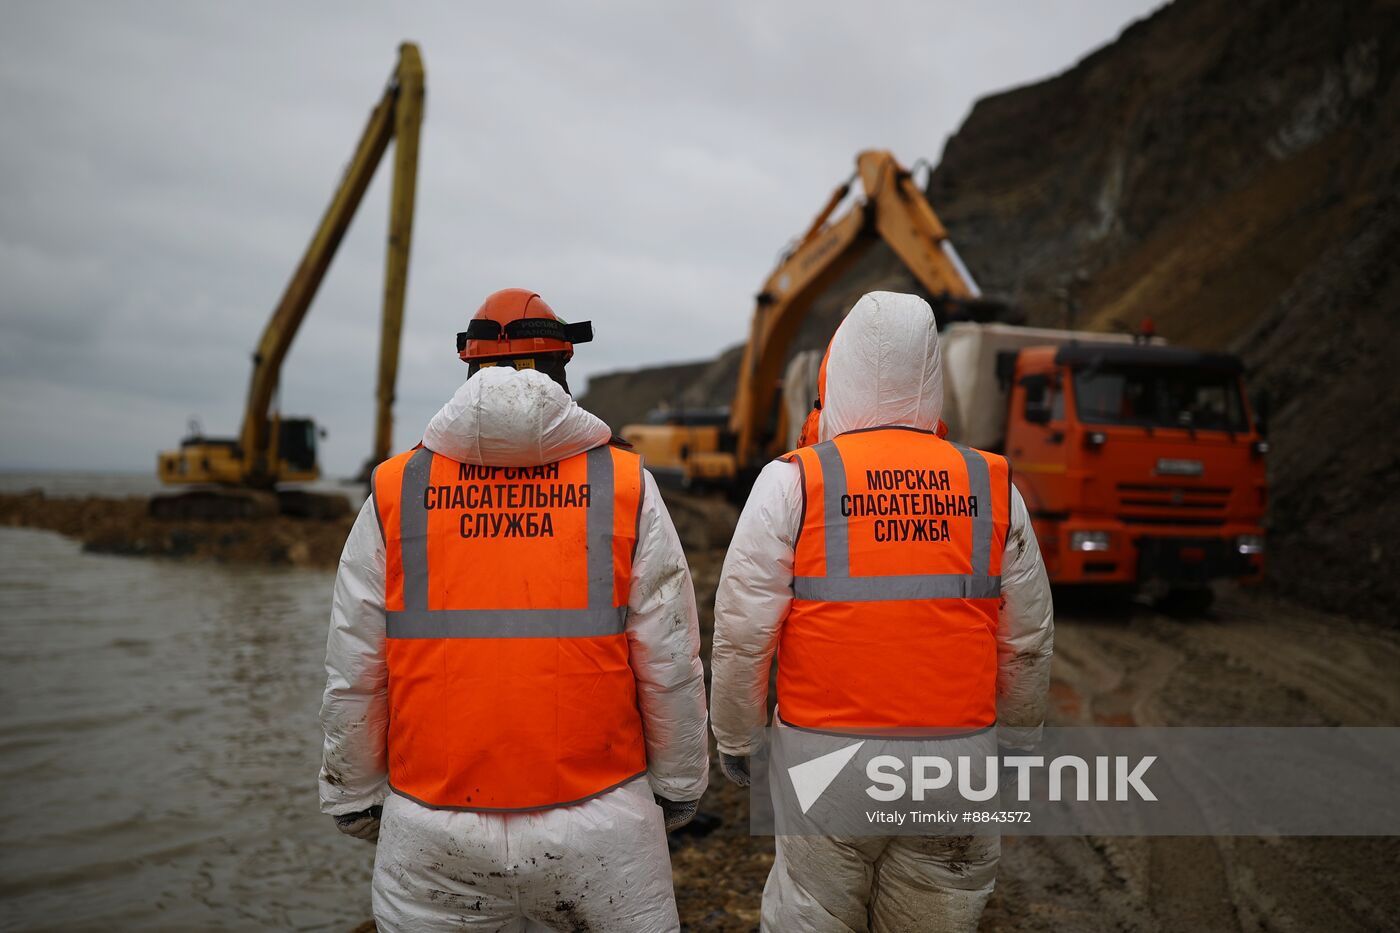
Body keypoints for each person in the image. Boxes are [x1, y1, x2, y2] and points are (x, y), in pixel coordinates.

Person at [319, 288, 709, 932]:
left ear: (468, 365)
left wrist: (354, 793)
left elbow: (357, 664)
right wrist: (679, 784)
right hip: (603, 822)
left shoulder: (396, 488)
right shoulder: (624, 484)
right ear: (562, 366)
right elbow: (669, 658)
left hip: (433, 826)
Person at [710, 291, 1054, 932]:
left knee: (812, 915)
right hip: (957, 759)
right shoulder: (991, 484)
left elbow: (741, 632)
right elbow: (1027, 637)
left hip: (825, 758)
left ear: (834, 371)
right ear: (932, 372)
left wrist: (737, 739)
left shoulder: (796, 480)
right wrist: (1018, 741)